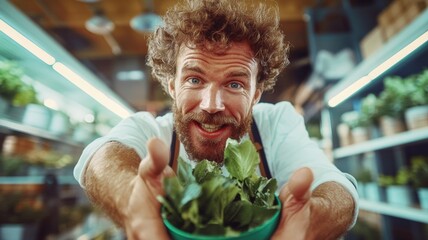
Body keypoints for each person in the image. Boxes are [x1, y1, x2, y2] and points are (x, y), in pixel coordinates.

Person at [74, 0, 358, 239]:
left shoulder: (276, 123)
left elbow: (337, 191)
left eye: (235, 84)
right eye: (194, 79)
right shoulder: (150, 131)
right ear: (172, 86)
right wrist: (129, 198)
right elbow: (100, 158)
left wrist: (309, 219)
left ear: (256, 94)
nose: (212, 105)